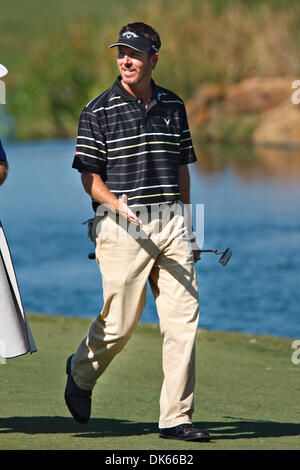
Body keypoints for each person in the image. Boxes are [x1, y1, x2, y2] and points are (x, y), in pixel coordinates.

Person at [65, 22, 210, 443]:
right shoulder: (97, 110)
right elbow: (88, 179)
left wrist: (190, 225)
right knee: (120, 324)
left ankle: (175, 417)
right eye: (120, 53)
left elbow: (182, 167)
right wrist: (115, 204)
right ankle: (80, 373)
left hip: (172, 224)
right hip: (120, 225)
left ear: (153, 59)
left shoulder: (174, 106)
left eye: (134, 53)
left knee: (183, 322)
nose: (125, 60)